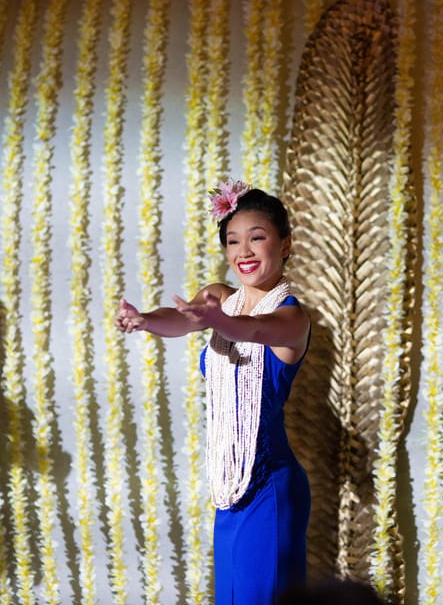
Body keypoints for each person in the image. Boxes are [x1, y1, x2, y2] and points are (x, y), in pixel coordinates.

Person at [116, 179, 312, 604]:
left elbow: (255, 328)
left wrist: (214, 320)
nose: (243, 251)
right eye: (233, 241)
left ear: (285, 244)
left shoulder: (292, 317)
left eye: (257, 238)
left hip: (270, 486)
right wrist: (145, 319)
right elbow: (183, 319)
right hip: (230, 486)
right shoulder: (219, 300)